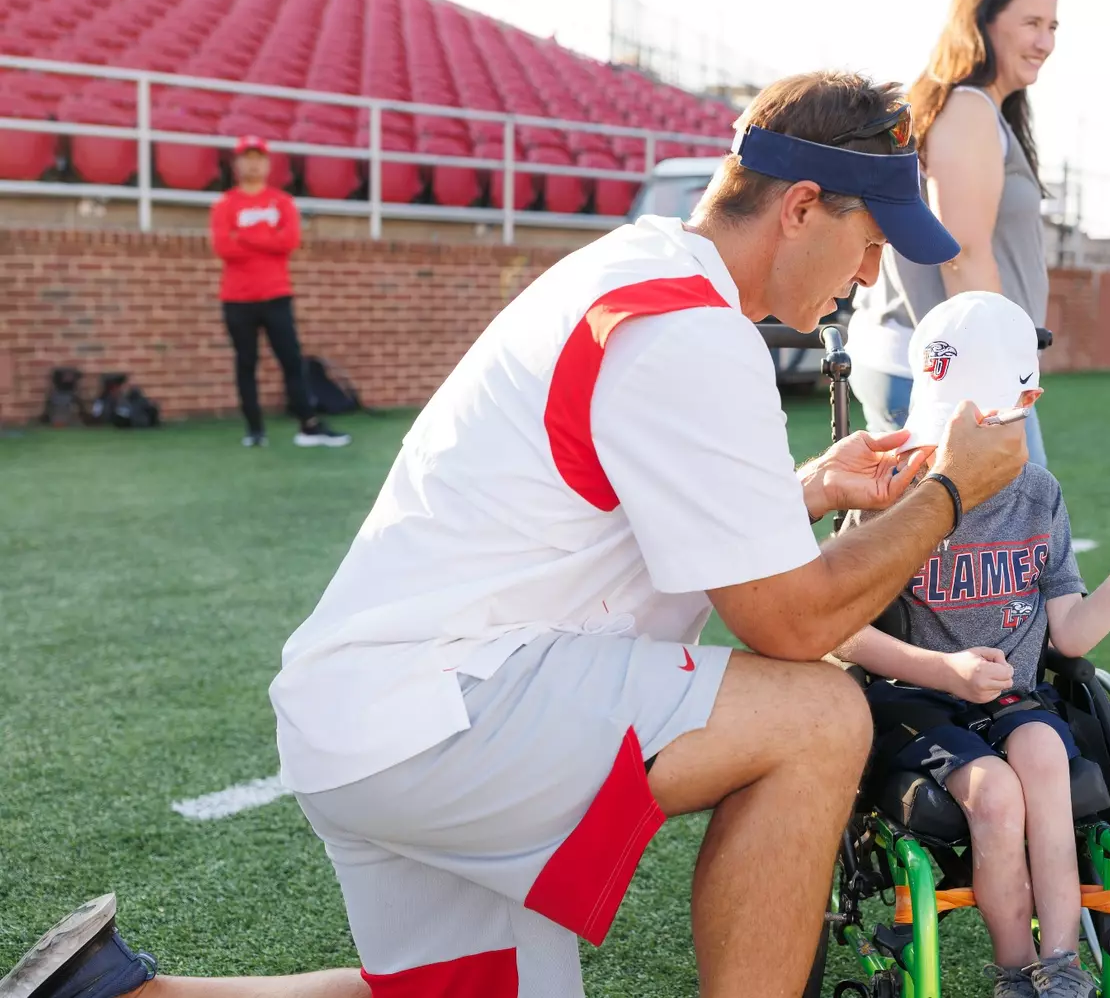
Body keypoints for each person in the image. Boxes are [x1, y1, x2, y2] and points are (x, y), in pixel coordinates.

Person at [5, 72, 1031, 998]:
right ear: (802, 208)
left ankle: (115, 993)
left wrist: (800, 490)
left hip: (369, 713)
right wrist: (948, 488)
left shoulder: (637, 267)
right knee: (816, 710)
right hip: (447, 713)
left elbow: (608, 496)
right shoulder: (696, 329)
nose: (863, 276)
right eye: (866, 243)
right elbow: (793, 623)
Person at [832, 292, 1110, 998]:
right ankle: (1014, 975)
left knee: (1042, 758)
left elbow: (1071, 632)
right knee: (997, 795)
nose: (960, 440)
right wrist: (942, 668)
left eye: (984, 419)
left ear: (1028, 400)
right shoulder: (893, 490)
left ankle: (1058, 967)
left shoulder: (1038, 493)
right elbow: (839, 630)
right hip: (916, 705)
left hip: (1012, 700)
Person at [848, 0, 1060, 468]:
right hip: (953, 373)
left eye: (1052, 26)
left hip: (948, 367)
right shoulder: (968, 106)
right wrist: (1000, 375)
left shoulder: (979, 109)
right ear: (982, 24)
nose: (1045, 43)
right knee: (1003, 540)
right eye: (1031, 23)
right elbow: (962, 253)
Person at [210, 135, 350, 449]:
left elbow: (288, 242)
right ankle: (255, 430)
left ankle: (308, 426)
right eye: (246, 157)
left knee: (291, 361)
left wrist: (245, 236)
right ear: (236, 163)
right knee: (245, 363)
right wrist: (266, 236)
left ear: (268, 163)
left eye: (258, 157)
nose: (252, 163)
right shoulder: (224, 205)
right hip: (237, 298)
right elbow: (223, 247)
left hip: (276, 295)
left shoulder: (283, 202)